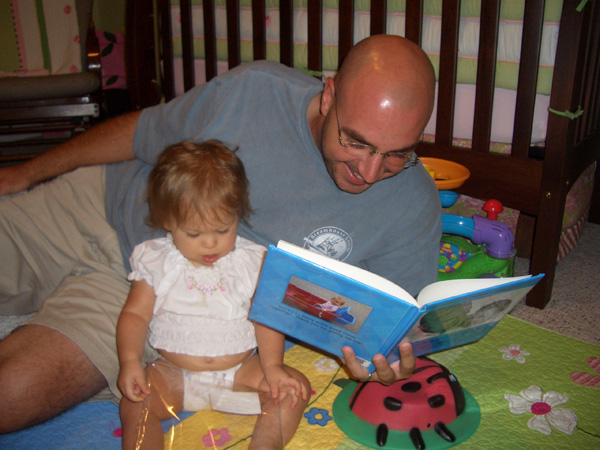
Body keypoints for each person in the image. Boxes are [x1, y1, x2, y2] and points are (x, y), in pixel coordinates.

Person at [0, 34, 439, 436]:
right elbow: (144, 132)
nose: (370, 171)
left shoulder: (412, 205)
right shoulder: (254, 91)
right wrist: (27, 173)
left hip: (151, 301)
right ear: (329, 96)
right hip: (101, 201)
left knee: (10, 395)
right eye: (356, 142)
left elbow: (393, 324)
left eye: (398, 154)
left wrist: (383, 359)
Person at [117, 141, 308, 449]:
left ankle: (265, 444)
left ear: (237, 215)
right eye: (194, 234)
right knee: (134, 405)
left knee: (294, 389)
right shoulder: (156, 260)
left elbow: (266, 318)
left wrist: (272, 367)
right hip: (173, 375)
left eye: (222, 230)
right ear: (168, 221)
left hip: (240, 374)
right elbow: (135, 315)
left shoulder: (251, 261)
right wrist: (130, 361)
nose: (210, 244)